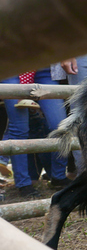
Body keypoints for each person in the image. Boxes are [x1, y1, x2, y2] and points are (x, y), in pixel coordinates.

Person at [1, 68, 70, 197]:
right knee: (19, 128)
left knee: (59, 125)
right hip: (13, 68)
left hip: (45, 70)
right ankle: (23, 183)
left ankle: (58, 177)